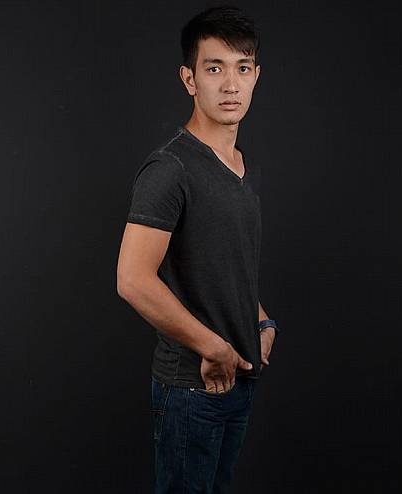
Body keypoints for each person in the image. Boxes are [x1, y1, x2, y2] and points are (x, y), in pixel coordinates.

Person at [116, 5, 280, 493]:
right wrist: (212, 346)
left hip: (238, 378)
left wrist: (261, 320)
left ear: (256, 76)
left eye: (242, 68)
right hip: (192, 387)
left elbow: (215, 264)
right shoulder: (170, 169)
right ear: (189, 79)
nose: (230, 85)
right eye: (214, 69)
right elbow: (132, 279)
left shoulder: (239, 163)